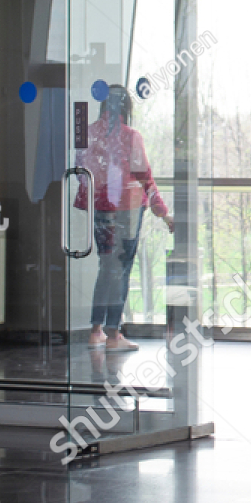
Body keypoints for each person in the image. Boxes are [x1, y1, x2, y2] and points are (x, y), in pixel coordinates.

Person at [75, 84, 173, 352]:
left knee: (106, 266)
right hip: (126, 209)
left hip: (99, 208)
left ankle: (96, 330)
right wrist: (163, 212)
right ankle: (114, 334)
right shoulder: (131, 136)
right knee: (120, 269)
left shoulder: (89, 133)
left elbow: (82, 169)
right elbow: (145, 176)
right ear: (125, 108)